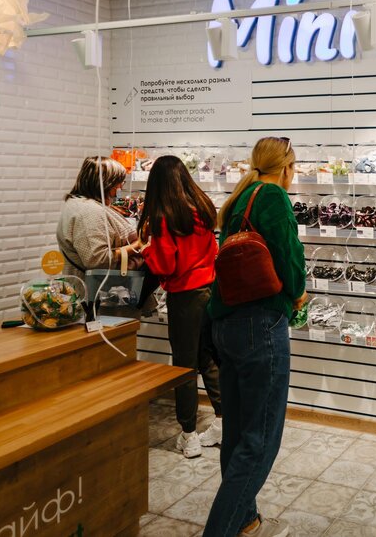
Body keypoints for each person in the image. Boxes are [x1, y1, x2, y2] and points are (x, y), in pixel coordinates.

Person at [204, 137, 306, 537]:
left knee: (237, 431)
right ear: (286, 168)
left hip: (225, 322)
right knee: (261, 439)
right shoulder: (274, 196)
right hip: (260, 324)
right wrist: (297, 292)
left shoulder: (241, 196)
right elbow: (289, 256)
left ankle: (245, 517)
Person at [135, 155, 223, 458]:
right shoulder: (203, 208)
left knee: (184, 366)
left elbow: (164, 265)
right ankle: (222, 422)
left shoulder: (165, 217)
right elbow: (212, 248)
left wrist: (146, 251)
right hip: (210, 290)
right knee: (208, 358)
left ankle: (189, 435)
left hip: (185, 297)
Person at [57, 156, 142, 278]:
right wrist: (137, 245)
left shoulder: (81, 204)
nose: (121, 187)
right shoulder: (88, 212)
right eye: (119, 182)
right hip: (99, 287)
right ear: (108, 183)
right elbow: (97, 259)